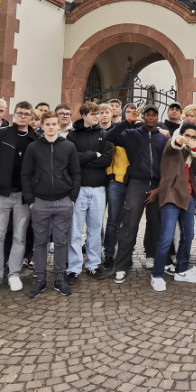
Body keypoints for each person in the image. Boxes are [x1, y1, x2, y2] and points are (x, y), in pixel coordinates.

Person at [106, 106, 170, 283]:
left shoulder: (162, 138)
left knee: (156, 224)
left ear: (157, 117)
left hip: (157, 184)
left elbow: (169, 164)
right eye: (147, 115)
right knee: (129, 225)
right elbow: (109, 136)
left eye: (153, 115)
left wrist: (159, 188)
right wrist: (128, 121)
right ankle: (122, 265)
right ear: (143, 116)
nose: (150, 118)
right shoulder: (132, 134)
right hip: (136, 183)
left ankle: (155, 259)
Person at [22, 112, 81, 298]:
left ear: (58, 125)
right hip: (40, 201)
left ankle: (59, 279)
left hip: (63, 201)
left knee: (62, 242)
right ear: (42, 125)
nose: (51, 127)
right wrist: (30, 199)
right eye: (47, 124)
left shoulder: (69, 146)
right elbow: (26, 174)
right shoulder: (33, 147)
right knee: (40, 242)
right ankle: (40, 279)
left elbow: (76, 173)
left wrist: (72, 197)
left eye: (54, 124)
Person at [0, 101, 38, 296]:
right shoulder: (2, 134)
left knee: (19, 236)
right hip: (2, 193)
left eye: (26, 114)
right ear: (14, 115)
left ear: (31, 117)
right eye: (20, 113)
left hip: (23, 195)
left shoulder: (35, 138)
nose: (23, 116)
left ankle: (13, 273)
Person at [149, 123, 196, 291]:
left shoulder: (191, 152)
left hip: (187, 197)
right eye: (187, 135)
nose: (189, 139)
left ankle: (181, 270)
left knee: (188, 236)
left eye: (193, 137)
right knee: (166, 238)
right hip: (172, 196)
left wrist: (194, 148)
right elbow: (173, 146)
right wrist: (179, 140)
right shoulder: (171, 147)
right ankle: (157, 274)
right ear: (181, 134)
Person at [66, 102, 113, 281]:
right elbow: (72, 159)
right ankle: (74, 267)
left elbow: (107, 160)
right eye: (93, 114)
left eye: (98, 113)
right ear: (84, 115)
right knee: (75, 230)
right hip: (78, 189)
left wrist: (85, 158)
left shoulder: (105, 135)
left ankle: (93, 264)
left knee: (95, 229)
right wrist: (94, 155)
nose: (97, 116)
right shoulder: (72, 135)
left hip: (99, 189)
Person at [102, 102, 130, 270]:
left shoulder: (139, 131)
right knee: (113, 221)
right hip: (117, 182)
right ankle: (110, 254)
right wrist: (111, 174)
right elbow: (110, 153)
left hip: (133, 183)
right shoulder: (118, 131)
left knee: (128, 222)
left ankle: (125, 254)